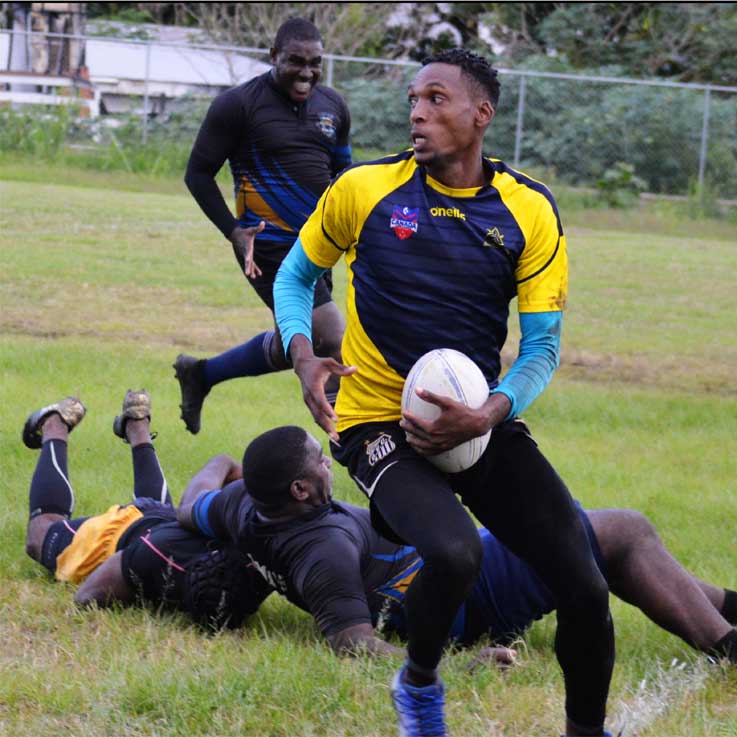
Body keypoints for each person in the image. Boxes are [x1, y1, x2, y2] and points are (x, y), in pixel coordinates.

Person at [273, 47, 613, 737]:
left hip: (475, 418)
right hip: (376, 421)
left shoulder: (529, 211)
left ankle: (585, 729)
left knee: (584, 583)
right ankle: (420, 685)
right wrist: (303, 353)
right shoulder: (364, 190)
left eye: (436, 100)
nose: (417, 114)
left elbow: (542, 346)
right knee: (458, 552)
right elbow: (294, 276)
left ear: (480, 114)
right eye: (413, 101)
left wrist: (489, 410)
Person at [177, 425, 737, 685]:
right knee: (619, 531)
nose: (329, 461)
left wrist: (228, 466)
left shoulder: (239, 507)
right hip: (462, 596)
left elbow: (193, 496)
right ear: (299, 489)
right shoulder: (322, 549)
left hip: (457, 558)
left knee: (590, 533)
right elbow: (351, 642)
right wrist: (459, 662)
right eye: (320, 462)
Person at [176, 17, 350, 434]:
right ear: (274, 56)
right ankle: (347, 433)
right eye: (295, 61)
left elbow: (345, 174)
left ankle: (202, 374)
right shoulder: (238, 105)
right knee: (327, 333)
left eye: (315, 63)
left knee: (295, 341)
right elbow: (198, 174)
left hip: (318, 244)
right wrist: (233, 232)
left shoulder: (333, 107)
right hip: (266, 243)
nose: (306, 72)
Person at [22, 390, 270, 629]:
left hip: (161, 519)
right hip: (127, 531)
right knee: (41, 533)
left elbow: (222, 464)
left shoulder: (259, 544)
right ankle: (55, 425)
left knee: (164, 514)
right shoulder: (160, 554)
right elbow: (87, 595)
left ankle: (137, 425)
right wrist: (139, 591)